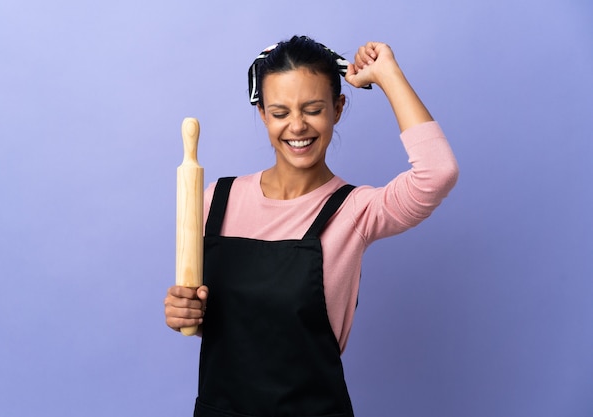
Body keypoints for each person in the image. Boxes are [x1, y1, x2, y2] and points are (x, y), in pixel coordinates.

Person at [164, 35, 459, 417]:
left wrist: (388, 75)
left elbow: (439, 173)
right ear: (263, 115)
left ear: (338, 108)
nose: (297, 126)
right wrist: (185, 313)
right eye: (281, 112)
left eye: (313, 109)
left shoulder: (354, 211)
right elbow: (232, 327)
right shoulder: (215, 199)